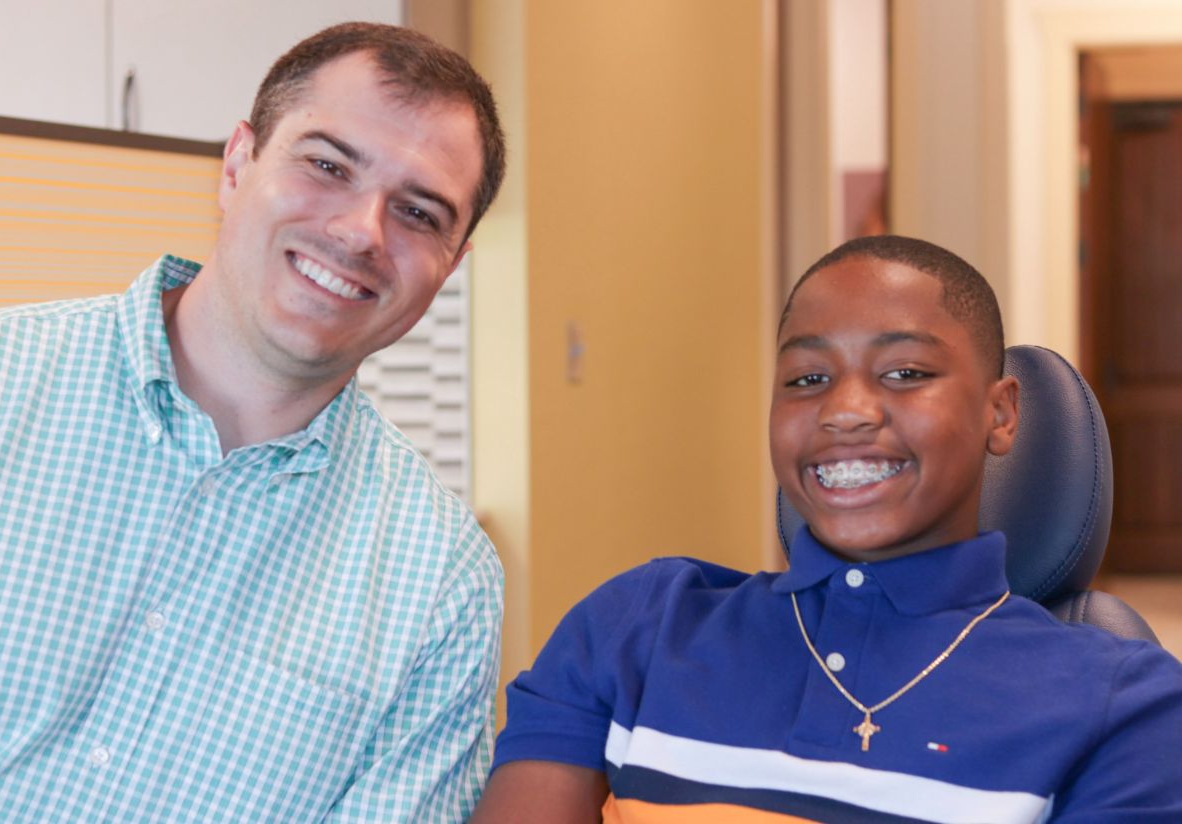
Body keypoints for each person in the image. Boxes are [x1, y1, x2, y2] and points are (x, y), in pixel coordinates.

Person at [0, 22, 505, 823]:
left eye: (420, 212)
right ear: (237, 164)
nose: (363, 232)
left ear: (452, 265)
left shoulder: (442, 584)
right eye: (328, 165)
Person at [471, 235, 1182, 823]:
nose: (844, 411)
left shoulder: (1124, 704)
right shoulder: (638, 626)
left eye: (905, 371)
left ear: (1001, 415)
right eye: (807, 380)